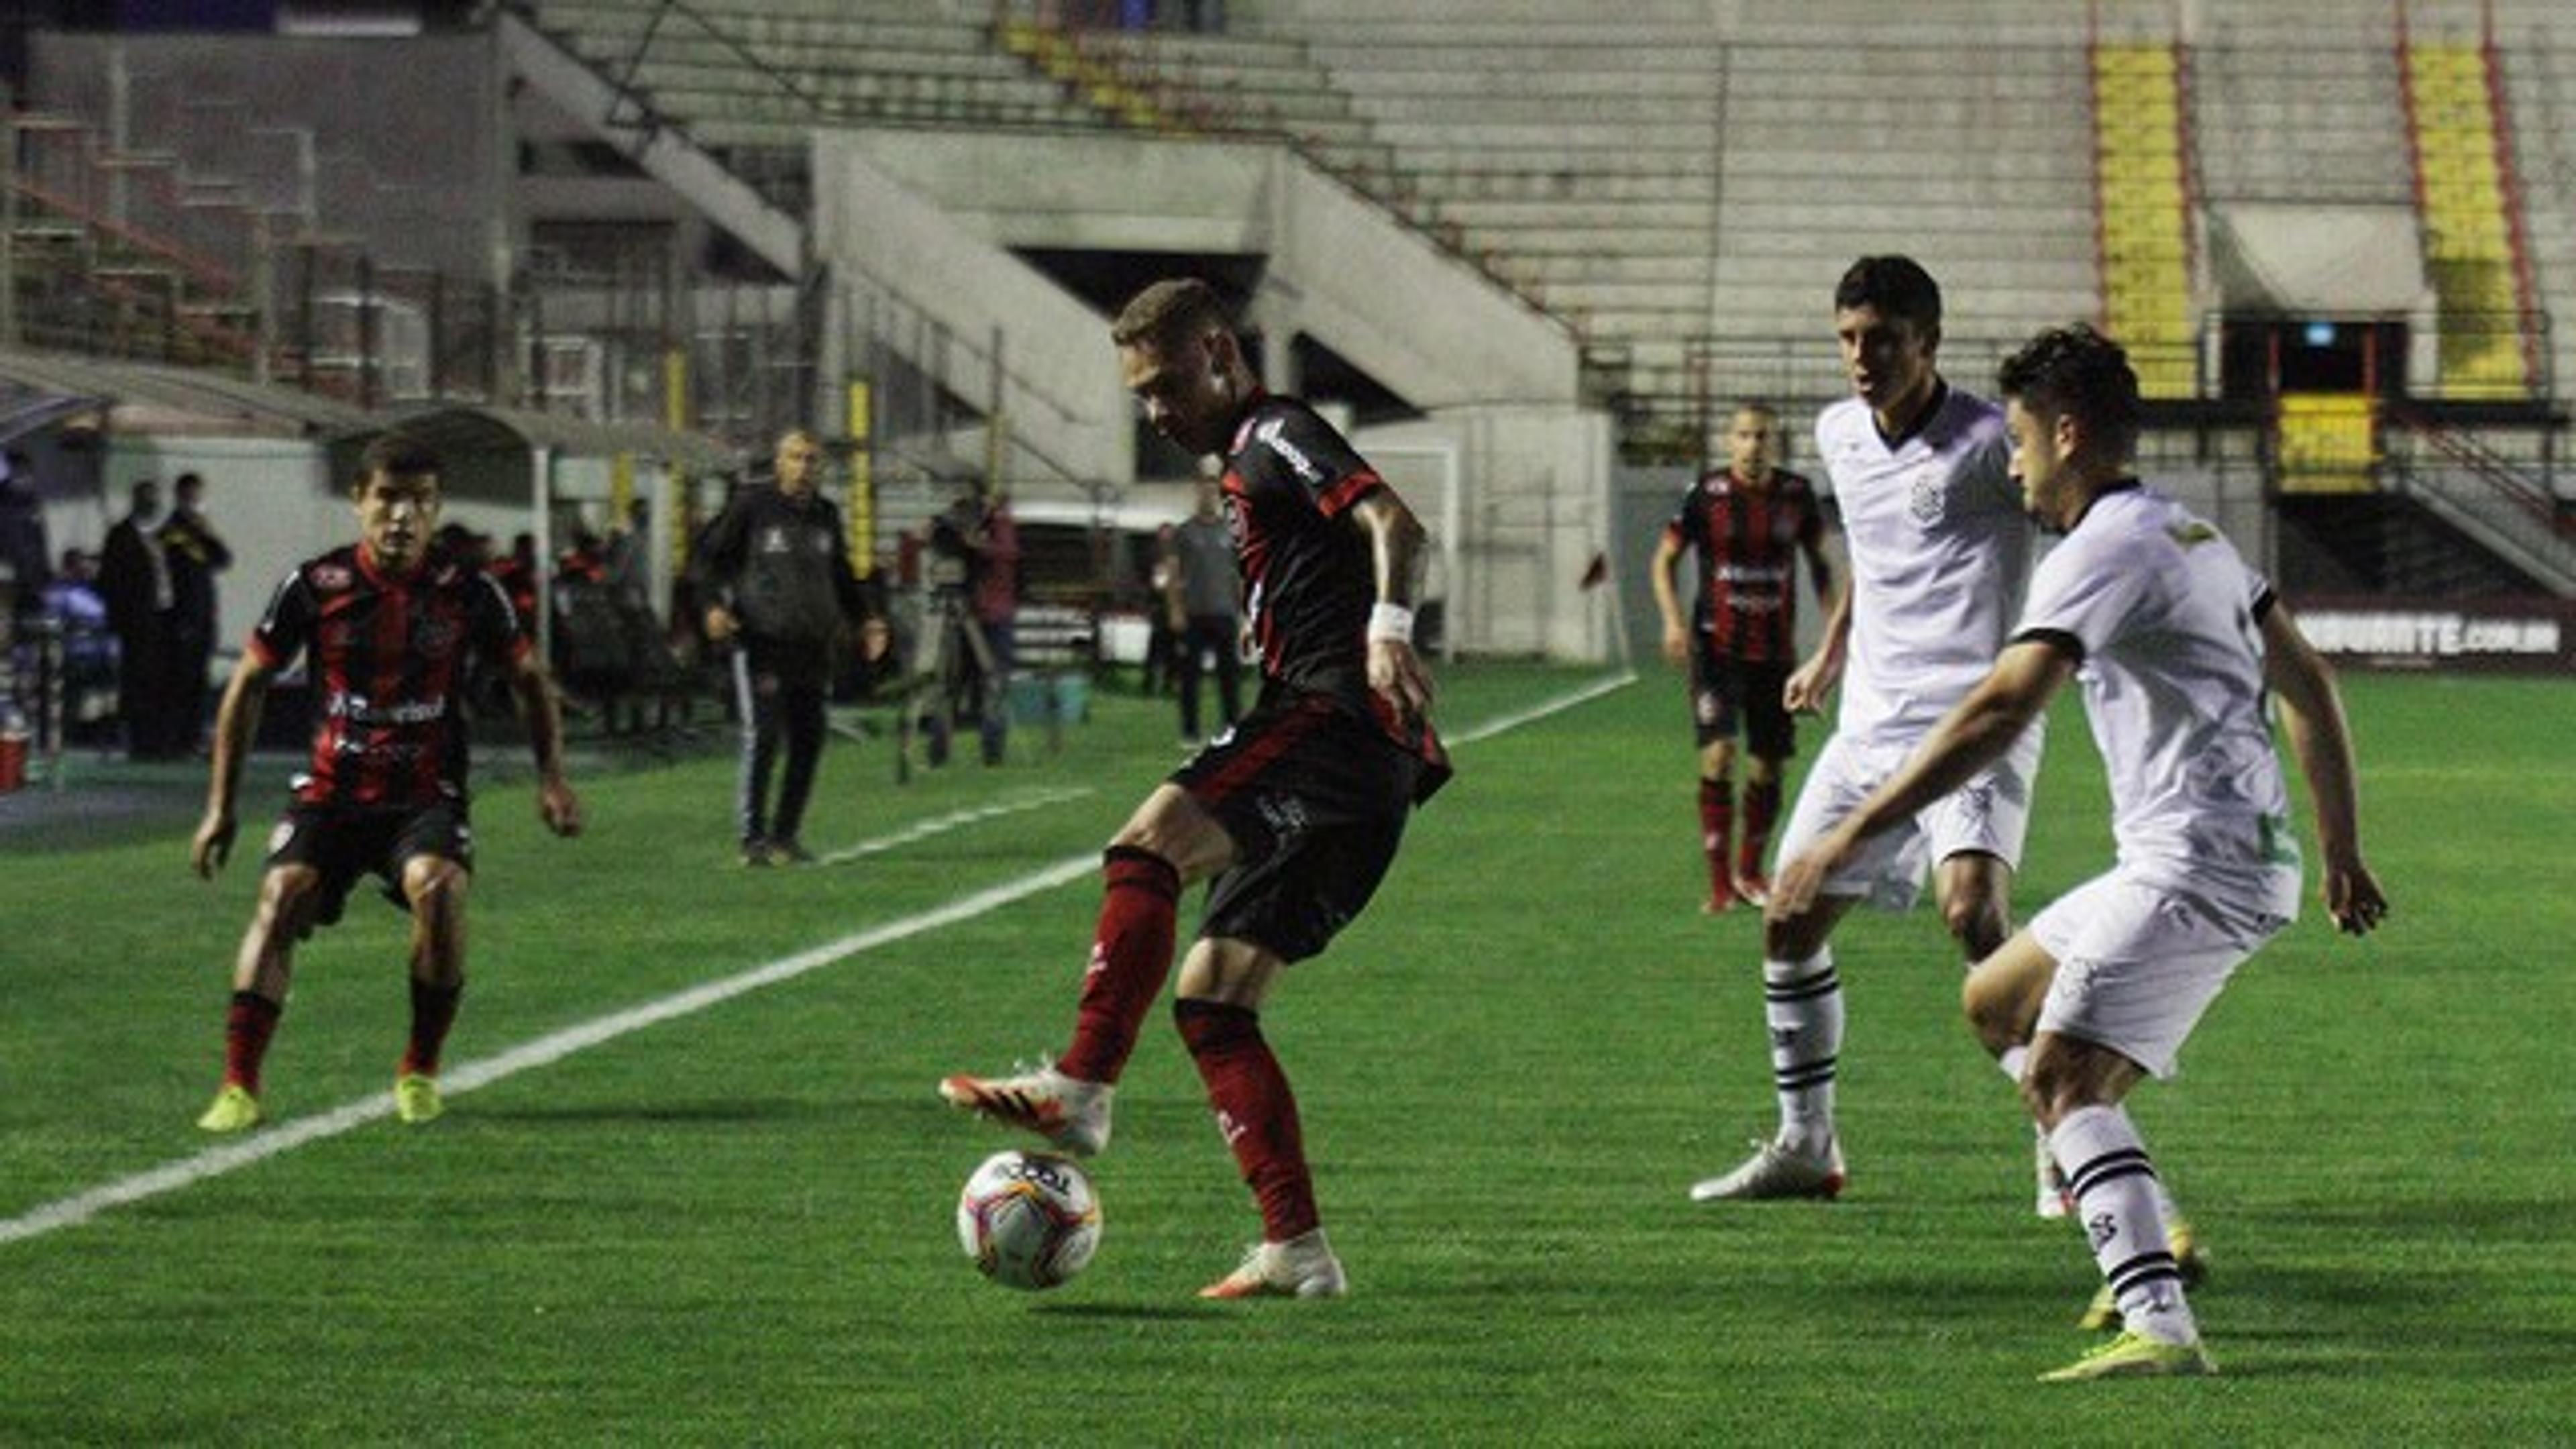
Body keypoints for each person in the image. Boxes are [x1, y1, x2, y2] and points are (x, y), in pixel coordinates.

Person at [1767, 323, 2387, 1381]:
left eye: (2017, 440)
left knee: (2062, 1078)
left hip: (2201, 870)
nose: (2010, 464)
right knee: (1997, 1002)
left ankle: (2160, 1320)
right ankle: (2137, 1217)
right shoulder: (2191, 534)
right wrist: (2341, 853)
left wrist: (1848, 834)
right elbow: (2312, 685)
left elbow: (1999, 709)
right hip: (2203, 858)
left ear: (2066, 434)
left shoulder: (2104, 550)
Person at [940, 277, 1449, 1299]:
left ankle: (1082, 1088)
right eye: (1141, 395)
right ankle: (1298, 1251)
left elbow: (1397, 523)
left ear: (1221, 352)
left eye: (1167, 385)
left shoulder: (1276, 432)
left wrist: (1388, 635)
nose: (1157, 412)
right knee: (1215, 1002)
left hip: (1334, 718)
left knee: (1148, 846)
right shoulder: (1242, 460)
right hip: (1367, 768)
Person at [1692, 256, 2047, 1205]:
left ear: (1927, 343)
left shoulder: (1987, 443)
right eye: (1848, 338)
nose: (1861, 357)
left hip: (1974, 721)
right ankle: (1809, 1145)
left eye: (1882, 340)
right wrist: (1833, 649)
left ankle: (2067, 1128)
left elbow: (2073, 510)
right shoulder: (1839, 433)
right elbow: (1875, 554)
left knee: (1972, 914)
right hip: (1869, 726)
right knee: (1787, 921)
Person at [188, 431, 584, 1134]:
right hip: (331, 791)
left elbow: (529, 678)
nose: (402, 516)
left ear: (436, 511)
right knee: (281, 895)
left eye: (420, 502)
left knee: (439, 887)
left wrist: (552, 780)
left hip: (423, 794)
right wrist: (219, 807)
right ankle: (238, 1086)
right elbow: (248, 683)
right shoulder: (315, 587)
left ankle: (418, 1070)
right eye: (388, 500)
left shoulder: (468, 591)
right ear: (359, 502)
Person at [1650, 402, 1835, 913]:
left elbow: (1821, 563)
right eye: (1744, 436)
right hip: (1717, 649)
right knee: (1719, 753)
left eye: (1763, 437)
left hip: (1775, 654)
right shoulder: (1706, 496)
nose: (1753, 445)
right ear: (1729, 442)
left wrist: (1835, 635)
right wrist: (1670, 621)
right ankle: (1719, 884)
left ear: (1776, 444)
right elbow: (1664, 561)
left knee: (1768, 766)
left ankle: (1750, 871)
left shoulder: (1796, 496)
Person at [694, 429, 880, 866]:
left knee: (810, 740)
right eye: (795, 458)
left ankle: (785, 834)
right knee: (764, 736)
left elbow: (842, 575)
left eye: (811, 460)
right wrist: (712, 607)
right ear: (779, 463)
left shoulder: (826, 515)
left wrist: (867, 619)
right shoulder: (752, 507)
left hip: (811, 645)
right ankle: (751, 837)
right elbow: (707, 560)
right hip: (762, 641)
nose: (803, 468)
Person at [156, 470, 233, 755]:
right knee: (180, 680)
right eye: (190, 496)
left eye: (198, 496)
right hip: (182, 617)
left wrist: (206, 531)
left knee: (200, 680)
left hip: (204, 616)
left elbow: (223, 559)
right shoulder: (172, 531)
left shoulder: (201, 530)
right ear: (180, 496)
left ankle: (194, 737)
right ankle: (177, 739)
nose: (195, 501)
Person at [98, 478, 176, 759]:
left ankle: (159, 740)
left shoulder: (165, 536)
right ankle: (138, 740)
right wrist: (121, 615)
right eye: (147, 498)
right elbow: (109, 580)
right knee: (137, 680)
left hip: (163, 617)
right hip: (137, 620)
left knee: (160, 680)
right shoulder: (121, 537)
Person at [1171, 474, 1244, 744]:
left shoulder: (1229, 531)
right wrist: (1175, 610)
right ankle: (1190, 731)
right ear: (1197, 494)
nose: (1208, 497)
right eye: (1203, 492)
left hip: (1224, 612)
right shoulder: (1185, 532)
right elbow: (1173, 573)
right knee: (1190, 676)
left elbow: (1238, 575)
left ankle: (1232, 728)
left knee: (1229, 676)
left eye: (1213, 492)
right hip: (1194, 612)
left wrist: (1244, 614)